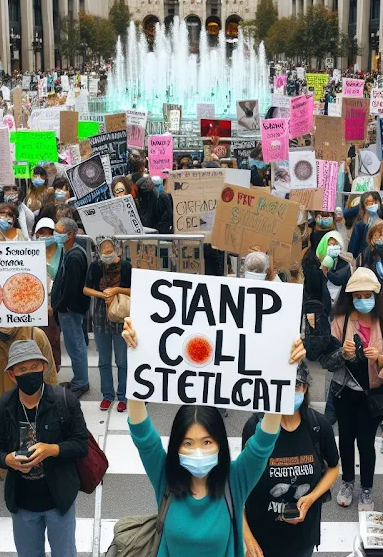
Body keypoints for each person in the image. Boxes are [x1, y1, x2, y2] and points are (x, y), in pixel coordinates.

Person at [121, 318, 306, 556]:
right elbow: (143, 435)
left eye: (207, 442)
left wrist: (283, 369)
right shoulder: (165, 477)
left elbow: (263, 442)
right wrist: (136, 358)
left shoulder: (235, 480)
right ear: (176, 447)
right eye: (188, 443)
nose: (198, 451)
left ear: (220, 444)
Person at [0, 340, 89, 557]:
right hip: (22, 502)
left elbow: (82, 445)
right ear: (12, 375)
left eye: (34, 367)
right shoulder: (3, 408)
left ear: (44, 367)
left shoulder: (65, 401)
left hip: (59, 500)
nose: (30, 373)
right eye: (23, 369)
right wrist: (7, 460)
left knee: (65, 553)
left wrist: (52, 449)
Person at [320, 267, 383, 511]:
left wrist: (379, 359)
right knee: (346, 440)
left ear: (376, 295)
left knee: (366, 443)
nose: (363, 300)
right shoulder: (341, 320)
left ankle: (367, 488)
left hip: (373, 394)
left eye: (367, 295)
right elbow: (327, 359)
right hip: (344, 393)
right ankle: (347, 482)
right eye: (358, 296)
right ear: (350, 297)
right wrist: (342, 354)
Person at [243, 363, 340, 557]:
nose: (288, 393)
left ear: (305, 388)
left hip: (303, 537)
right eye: (282, 386)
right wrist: (249, 540)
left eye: (295, 386)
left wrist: (312, 497)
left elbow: (333, 468)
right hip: (262, 537)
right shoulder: (256, 427)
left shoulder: (319, 426)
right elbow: (240, 486)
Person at [83, 237, 131, 413]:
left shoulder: (126, 266)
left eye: (110, 251)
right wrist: (102, 294)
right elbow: (86, 289)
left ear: (117, 250)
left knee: (122, 360)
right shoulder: (95, 266)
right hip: (100, 314)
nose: (107, 255)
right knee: (103, 360)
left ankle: (123, 395)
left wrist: (116, 290)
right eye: (104, 252)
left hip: (121, 314)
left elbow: (133, 290)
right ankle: (107, 395)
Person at [0, 326, 58, 420]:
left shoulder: (36, 335)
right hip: (5, 414)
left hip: (38, 412)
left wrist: (49, 410)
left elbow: (50, 375)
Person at [50, 217, 91, 398]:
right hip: (69, 308)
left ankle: (81, 382)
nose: (56, 235)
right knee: (74, 344)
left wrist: (58, 307)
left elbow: (70, 289)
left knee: (76, 346)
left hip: (70, 309)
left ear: (70, 234)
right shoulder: (68, 251)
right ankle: (78, 379)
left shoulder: (74, 256)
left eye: (59, 232)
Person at [34, 217, 62, 372]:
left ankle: (53, 371)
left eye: (48, 232)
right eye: (41, 232)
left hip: (55, 303)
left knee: (53, 339)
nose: (44, 236)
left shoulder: (62, 251)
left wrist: (52, 304)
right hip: (36, 302)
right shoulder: (30, 252)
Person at [315, 230, 350, 304]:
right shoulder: (315, 260)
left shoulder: (344, 262)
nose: (332, 247)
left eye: (335, 245)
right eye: (329, 245)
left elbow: (338, 279)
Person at [347, 191, 383, 259]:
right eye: (369, 203)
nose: (373, 205)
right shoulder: (360, 226)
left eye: (374, 202)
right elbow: (352, 251)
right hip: (363, 261)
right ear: (364, 206)